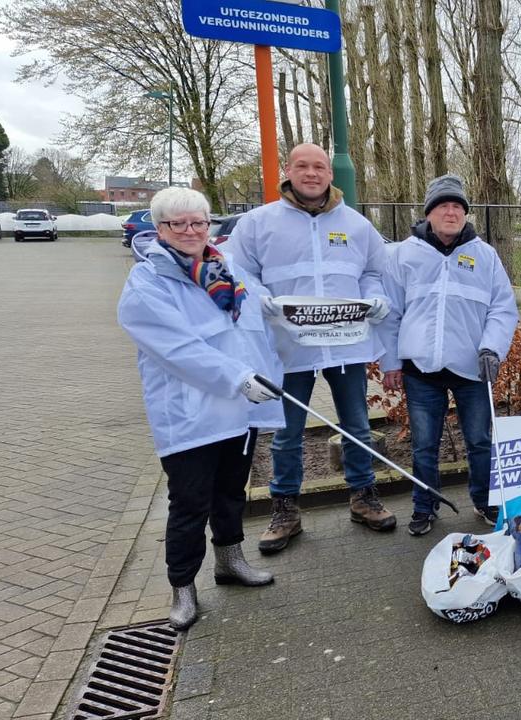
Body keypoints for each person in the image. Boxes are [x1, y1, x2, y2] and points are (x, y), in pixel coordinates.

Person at [118, 187, 284, 630]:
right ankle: (182, 587)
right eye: (179, 224)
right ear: (161, 229)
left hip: (238, 410)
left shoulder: (224, 267)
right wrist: (236, 378)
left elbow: (250, 317)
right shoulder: (147, 283)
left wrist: (276, 310)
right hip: (190, 414)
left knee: (231, 492)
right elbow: (178, 349)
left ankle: (230, 561)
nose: (192, 231)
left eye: (199, 222)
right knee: (189, 501)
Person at [228, 143, 397, 555]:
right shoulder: (258, 223)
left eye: (319, 166)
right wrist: (260, 297)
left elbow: (376, 270)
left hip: (346, 346)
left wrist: (374, 297)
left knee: (356, 427)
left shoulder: (356, 225)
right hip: (289, 347)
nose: (311, 173)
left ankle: (363, 497)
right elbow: (237, 270)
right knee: (286, 433)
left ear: (329, 174)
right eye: (302, 166)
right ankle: (285, 508)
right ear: (288, 170)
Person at [379, 175, 518, 536]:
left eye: (458, 206)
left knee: (479, 441)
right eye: (443, 205)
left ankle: (485, 502)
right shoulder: (404, 254)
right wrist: (391, 362)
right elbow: (391, 311)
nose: (451, 212)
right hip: (420, 370)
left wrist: (492, 347)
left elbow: (503, 309)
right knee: (424, 445)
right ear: (429, 213)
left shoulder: (485, 256)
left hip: (472, 368)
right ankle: (425, 506)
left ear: (465, 213)